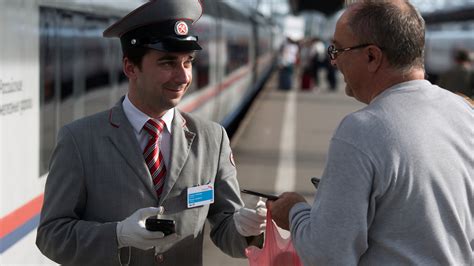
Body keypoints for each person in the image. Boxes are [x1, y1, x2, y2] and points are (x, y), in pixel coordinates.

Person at [36, 0, 266, 265]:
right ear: (130, 68)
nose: (183, 77)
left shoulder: (212, 139)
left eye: (188, 62)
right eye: (168, 63)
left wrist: (244, 230)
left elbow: (226, 228)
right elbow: (51, 235)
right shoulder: (79, 141)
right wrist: (117, 235)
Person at [268, 0, 474, 265]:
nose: (334, 61)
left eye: (338, 50)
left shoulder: (361, 130)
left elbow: (327, 255)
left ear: (372, 57)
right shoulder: (464, 112)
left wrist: (294, 212)